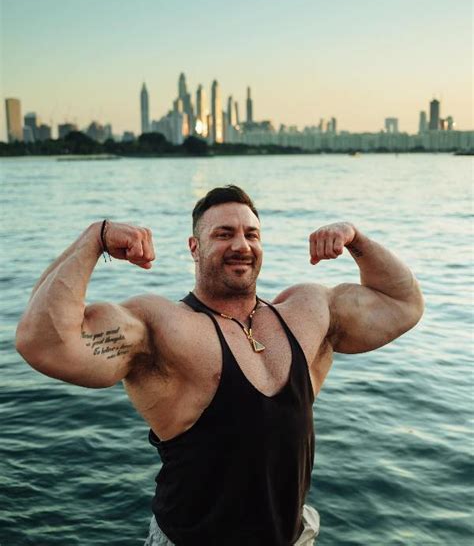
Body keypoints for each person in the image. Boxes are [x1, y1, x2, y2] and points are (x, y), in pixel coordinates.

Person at [16, 185, 424, 546]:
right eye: (223, 234)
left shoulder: (307, 312)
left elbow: (403, 304)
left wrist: (356, 238)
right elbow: (44, 342)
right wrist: (95, 238)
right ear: (194, 247)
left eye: (251, 234)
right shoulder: (160, 326)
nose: (241, 245)